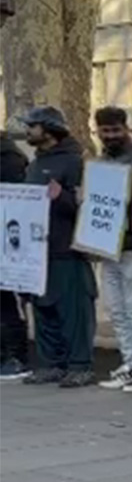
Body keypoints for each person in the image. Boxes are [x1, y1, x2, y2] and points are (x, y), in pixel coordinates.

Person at [19, 107, 95, 387]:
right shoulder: (36, 163)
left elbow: (85, 206)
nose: (27, 131)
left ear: (48, 130)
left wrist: (62, 196)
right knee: (43, 308)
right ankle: (51, 362)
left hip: (66, 249)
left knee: (72, 310)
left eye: (32, 126)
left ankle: (79, 364)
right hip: (38, 249)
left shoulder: (75, 162)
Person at [91, 106, 132, 392]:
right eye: (105, 131)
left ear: (125, 128)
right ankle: (131, 362)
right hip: (110, 247)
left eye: (115, 130)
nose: (110, 136)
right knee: (117, 309)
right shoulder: (101, 161)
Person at [0, 120, 33, 379]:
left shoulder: (9, 157)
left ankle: (15, 355)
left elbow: (15, 198)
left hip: (7, 239)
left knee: (7, 302)